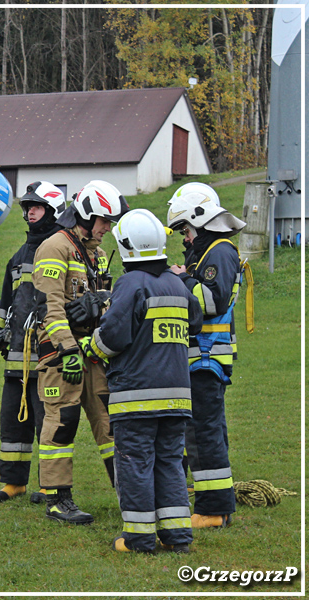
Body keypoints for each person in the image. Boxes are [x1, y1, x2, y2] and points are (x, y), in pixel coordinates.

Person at [79, 209, 202, 553]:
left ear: (127, 247)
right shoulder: (176, 284)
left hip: (137, 398)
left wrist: (92, 345)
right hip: (177, 397)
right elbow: (194, 322)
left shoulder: (130, 283)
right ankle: (177, 537)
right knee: (170, 463)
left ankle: (139, 538)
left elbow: (114, 337)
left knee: (135, 464)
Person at [31, 180, 127, 524]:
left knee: (110, 422)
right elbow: (49, 307)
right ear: (86, 215)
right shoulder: (53, 247)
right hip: (61, 354)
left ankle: (131, 493)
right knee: (61, 423)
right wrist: (67, 349)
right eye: (104, 221)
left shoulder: (98, 254)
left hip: (93, 352)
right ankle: (58, 499)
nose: (107, 229)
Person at [0, 182, 65, 504]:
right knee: (13, 421)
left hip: (47, 356)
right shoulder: (18, 255)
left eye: (37, 206)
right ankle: (13, 482)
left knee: (47, 423)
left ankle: (49, 484)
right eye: (27, 207)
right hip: (16, 359)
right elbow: (5, 305)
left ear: (52, 211)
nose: (30, 212)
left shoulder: (60, 248)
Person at [166, 185, 246, 529]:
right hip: (200, 358)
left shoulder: (219, 251)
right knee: (202, 431)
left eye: (185, 230)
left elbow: (211, 302)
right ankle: (214, 501)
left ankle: (213, 510)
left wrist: (179, 282)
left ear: (199, 219)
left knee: (203, 433)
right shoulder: (208, 252)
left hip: (207, 358)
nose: (185, 238)